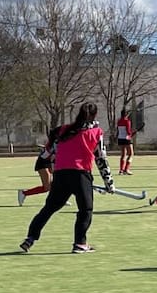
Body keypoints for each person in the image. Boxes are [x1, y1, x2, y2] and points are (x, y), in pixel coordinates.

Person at [20, 102, 105, 253]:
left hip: (60, 174)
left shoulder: (63, 130)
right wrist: (109, 182)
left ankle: (30, 238)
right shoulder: (96, 132)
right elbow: (101, 159)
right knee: (86, 210)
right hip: (80, 174)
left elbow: (47, 153)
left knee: (49, 208)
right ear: (94, 115)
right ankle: (80, 243)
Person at [18, 125, 61, 207]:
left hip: (49, 162)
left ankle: (59, 199)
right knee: (47, 187)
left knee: (58, 182)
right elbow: (52, 157)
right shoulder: (55, 143)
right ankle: (24, 193)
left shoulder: (58, 142)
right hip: (43, 163)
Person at [116, 109, 135, 175]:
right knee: (131, 154)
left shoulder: (118, 121)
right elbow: (128, 131)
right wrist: (132, 134)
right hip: (126, 139)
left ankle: (121, 170)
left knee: (123, 154)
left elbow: (118, 130)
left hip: (120, 138)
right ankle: (126, 169)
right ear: (126, 114)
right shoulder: (127, 121)